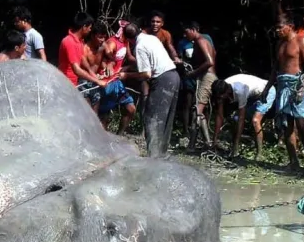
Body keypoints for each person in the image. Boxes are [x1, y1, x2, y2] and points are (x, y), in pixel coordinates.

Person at [262, 15, 304, 171]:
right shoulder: (279, 44)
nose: (278, 31)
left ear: (290, 26)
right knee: (286, 124)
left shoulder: (302, 42)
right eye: (276, 28)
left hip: (298, 84)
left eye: (280, 27)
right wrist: (266, 89)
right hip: (282, 85)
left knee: (301, 124)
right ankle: (294, 161)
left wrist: (302, 87)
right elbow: (275, 69)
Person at [118, 22, 180, 158]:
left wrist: (126, 75)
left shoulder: (139, 47)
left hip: (163, 79)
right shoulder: (151, 38)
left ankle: (153, 157)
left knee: (152, 117)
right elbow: (151, 63)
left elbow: (146, 74)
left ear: (128, 39)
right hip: (174, 76)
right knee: (166, 118)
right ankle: (161, 154)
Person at [79, 21, 136, 132]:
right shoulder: (86, 48)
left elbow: (111, 58)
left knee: (130, 109)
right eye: (100, 37)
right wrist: (98, 76)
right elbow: (92, 66)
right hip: (95, 84)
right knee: (95, 116)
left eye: (103, 37)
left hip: (108, 82)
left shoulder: (108, 45)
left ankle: (117, 137)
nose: (102, 40)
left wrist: (139, 63)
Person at [210, 74, 277, 160]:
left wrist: (236, 146)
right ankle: (234, 147)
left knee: (255, 121)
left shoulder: (240, 92)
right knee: (235, 119)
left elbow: (241, 119)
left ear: (227, 92)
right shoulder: (221, 86)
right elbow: (219, 115)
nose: (220, 99)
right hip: (253, 95)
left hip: (267, 90)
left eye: (222, 97)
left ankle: (259, 154)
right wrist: (214, 140)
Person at [182, 21, 218, 151]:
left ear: (193, 30)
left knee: (196, 111)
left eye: (186, 32)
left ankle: (191, 145)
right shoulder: (203, 41)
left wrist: (193, 73)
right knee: (200, 110)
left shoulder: (201, 40)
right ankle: (207, 142)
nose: (185, 36)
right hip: (206, 76)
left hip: (207, 77)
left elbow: (210, 61)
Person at [57, 12, 94, 87]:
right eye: (89, 28)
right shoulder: (69, 41)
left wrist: (91, 71)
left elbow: (82, 57)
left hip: (73, 82)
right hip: (65, 83)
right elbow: (76, 69)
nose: (90, 30)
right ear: (84, 27)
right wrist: (97, 81)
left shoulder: (80, 40)